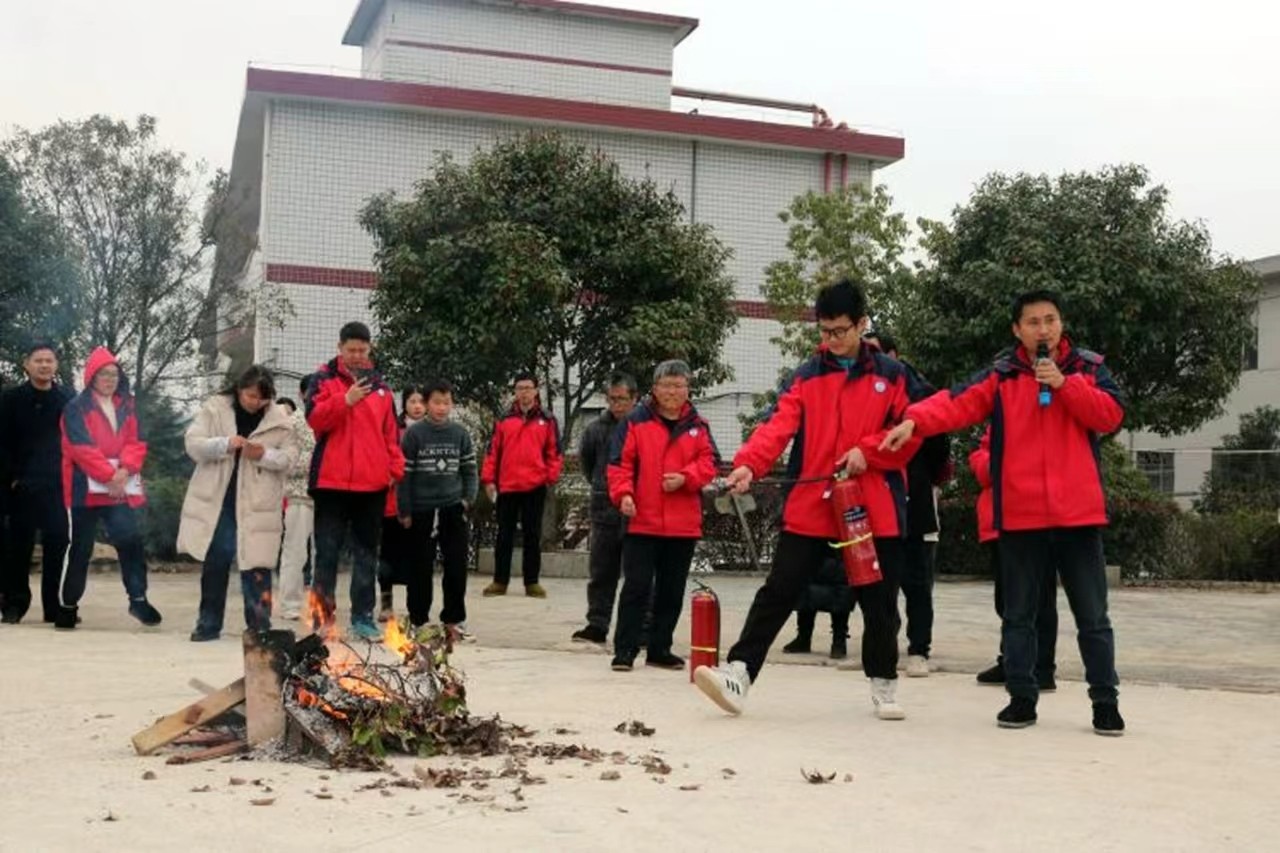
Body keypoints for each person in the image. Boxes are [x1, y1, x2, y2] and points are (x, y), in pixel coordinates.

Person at [880, 290, 1126, 736]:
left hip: (1078, 516)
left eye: (1050, 320)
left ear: (1061, 324)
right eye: (1032, 322)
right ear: (1017, 330)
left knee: (1093, 617)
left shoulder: (1087, 369)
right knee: (1019, 616)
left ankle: (1105, 703)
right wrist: (914, 420)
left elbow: (1110, 416)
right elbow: (956, 401)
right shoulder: (1003, 374)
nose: (1043, 329)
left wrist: (1064, 385)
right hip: (1021, 516)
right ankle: (1021, 698)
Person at [694, 279, 923, 721]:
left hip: (871, 504)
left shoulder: (893, 377)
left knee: (879, 599)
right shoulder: (806, 375)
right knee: (781, 587)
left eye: (839, 330)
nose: (831, 340)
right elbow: (777, 426)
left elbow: (910, 434)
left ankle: (884, 683)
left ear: (861, 324)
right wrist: (747, 465)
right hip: (814, 501)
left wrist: (867, 452)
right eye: (824, 331)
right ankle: (739, 673)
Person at [607, 360, 719, 672]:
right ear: (654, 390)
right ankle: (624, 651)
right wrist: (624, 495)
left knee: (672, 590)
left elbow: (710, 464)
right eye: (666, 385)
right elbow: (619, 464)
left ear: (688, 389)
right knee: (636, 587)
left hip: (683, 524)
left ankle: (660, 648)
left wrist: (686, 477)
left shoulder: (699, 425)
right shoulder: (634, 422)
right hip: (642, 520)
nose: (672, 391)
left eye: (678, 385)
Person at [179, 366, 298, 641]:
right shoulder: (215, 408)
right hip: (219, 499)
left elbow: (290, 460)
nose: (255, 402)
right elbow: (193, 444)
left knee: (258, 564)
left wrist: (263, 455)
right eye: (250, 395)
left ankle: (259, 626)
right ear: (239, 389)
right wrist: (224, 444)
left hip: (258, 502)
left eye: (262, 398)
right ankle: (208, 624)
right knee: (216, 561)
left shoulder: (281, 419)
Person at [305, 322, 406, 640]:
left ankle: (362, 617)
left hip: (372, 484)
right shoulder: (323, 380)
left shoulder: (381, 388)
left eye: (363, 350)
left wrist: (395, 470)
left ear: (369, 350)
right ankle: (323, 617)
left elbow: (390, 434)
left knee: (366, 554)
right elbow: (315, 420)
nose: (358, 356)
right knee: (327, 552)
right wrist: (345, 400)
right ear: (340, 348)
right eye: (352, 350)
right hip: (331, 483)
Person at [863, 331, 952, 678]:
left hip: (913, 499)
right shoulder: (865, 392)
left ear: (893, 355)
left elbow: (939, 450)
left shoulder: (922, 394)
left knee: (917, 583)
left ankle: (919, 649)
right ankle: (884, 647)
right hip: (876, 500)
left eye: (873, 352)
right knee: (878, 583)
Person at [56, 347, 161, 630]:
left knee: (131, 542)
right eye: (104, 374)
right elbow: (80, 449)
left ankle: (138, 599)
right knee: (79, 549)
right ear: (91, 376)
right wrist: (109, 476)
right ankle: (67, 606)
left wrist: (124, 471)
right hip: (83, 490)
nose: (109, 379)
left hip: (119, 486)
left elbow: (137, 442)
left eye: (114, 374)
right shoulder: (76, 408)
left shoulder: (128, 405)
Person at [971, 427, 1059, 690]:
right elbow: (983, 461)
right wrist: (998, 463)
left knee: (1040, 598)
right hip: (1000, 522)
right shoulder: (1000, 417)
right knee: (1008, 601)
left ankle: (1042, 668)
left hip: (1037, 519)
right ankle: (1012, 660)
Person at [0, 343, 73, 624]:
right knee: (18, 547)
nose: (44, 365)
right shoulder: (10, 399)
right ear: (26, 364)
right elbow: (2, 443)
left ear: (56, 365)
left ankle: (53, 606)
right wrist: (12, 477)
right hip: (22, 485)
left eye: (49, 360)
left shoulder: (68, 399)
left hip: (57, 484)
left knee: (57, 544)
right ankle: (14, 604)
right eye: (38, 360)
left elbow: (77, 440)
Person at [397, 379, 478, 633]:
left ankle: (454, 619)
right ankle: (419, 619)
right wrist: (405, 509)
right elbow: (405, 475)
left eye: (446, 402)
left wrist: (467, 500)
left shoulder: (460, 433)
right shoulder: (414, 434)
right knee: (420, 567)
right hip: (421, 510)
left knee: (456, 565)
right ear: (426, 403)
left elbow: (470, 471)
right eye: (436, 402)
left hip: (453, 508)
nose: (442, 408)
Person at [480, 373, 562, 598]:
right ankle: (500, 581)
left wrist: (549, 477)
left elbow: (554, 453)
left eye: (528, 388)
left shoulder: (547, 420)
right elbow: (492, 452)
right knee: (504, 535)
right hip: (507, 486)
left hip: (534, 486)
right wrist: (488, 480)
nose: (524, 392)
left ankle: (532, 581)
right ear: (514, 392)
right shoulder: (504, 419)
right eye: (519, 388)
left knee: (532, 535)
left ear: (536, 391)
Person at [571, 372, 638, 644]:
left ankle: (641, 628)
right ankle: (597, 624)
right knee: (601, 571)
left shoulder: (643, 426)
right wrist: (602, 486)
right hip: (604, 508)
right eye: (612, 399)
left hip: (637, 510)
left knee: (639, 574)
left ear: (635, 398)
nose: (617, 405)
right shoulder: (595, 429)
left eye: (622, 399)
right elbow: (587, 463)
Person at [379, 386, 427, 622]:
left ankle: (414, 606)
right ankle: (386, 603)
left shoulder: (433, 432)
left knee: (416, 556)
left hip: (421, 503)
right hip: (392, 502)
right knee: (388, 554)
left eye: (421, 401)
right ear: (404, 404)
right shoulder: (393, 429)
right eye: (412, 401)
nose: (417, 405)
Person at [276, 380, 317, 621]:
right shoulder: (292, 423)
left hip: (329, 496)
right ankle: (290, 604)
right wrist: (317, 461)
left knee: (323, 555)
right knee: (295, 551)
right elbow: (286, 462)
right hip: (300, 495)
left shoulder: (331, 421)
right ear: (302, 394)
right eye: (313, 392)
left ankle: (321, 603)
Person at [780, 554, 854, 659]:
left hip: (837, 549)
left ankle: (838, 640)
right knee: (808, 590)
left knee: (840, 590)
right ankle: (805, 638)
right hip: (823, 548)